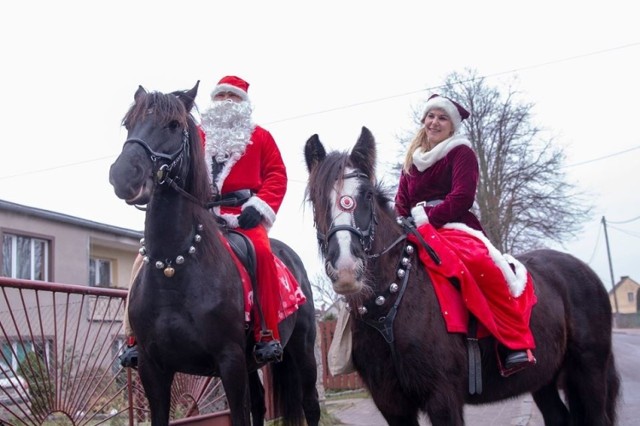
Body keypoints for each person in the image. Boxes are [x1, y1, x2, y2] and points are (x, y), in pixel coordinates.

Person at [119, 75, 288, 367]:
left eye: (232, 97)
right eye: (220, 97)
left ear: (243, 103)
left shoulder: (260, 137)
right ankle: (133, 337)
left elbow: (277, 175)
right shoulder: (197, 137)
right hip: (201, 214)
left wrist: (259, 206)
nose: (225, 102)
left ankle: (266, 332)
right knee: (143, 257)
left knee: (261, 251)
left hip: (242, 215)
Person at [394, 94, 536, 372]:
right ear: (424, 120)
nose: (435, 122)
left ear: (452, 125)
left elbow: (462, 197)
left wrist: (427, 217)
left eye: (442, 117)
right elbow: (401, 200)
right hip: (413, 227)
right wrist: (401, 220)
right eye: (431, 116)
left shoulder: (461, 152)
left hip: (453, 224)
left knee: (482, 266)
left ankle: (513, 344)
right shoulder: (412, 158)